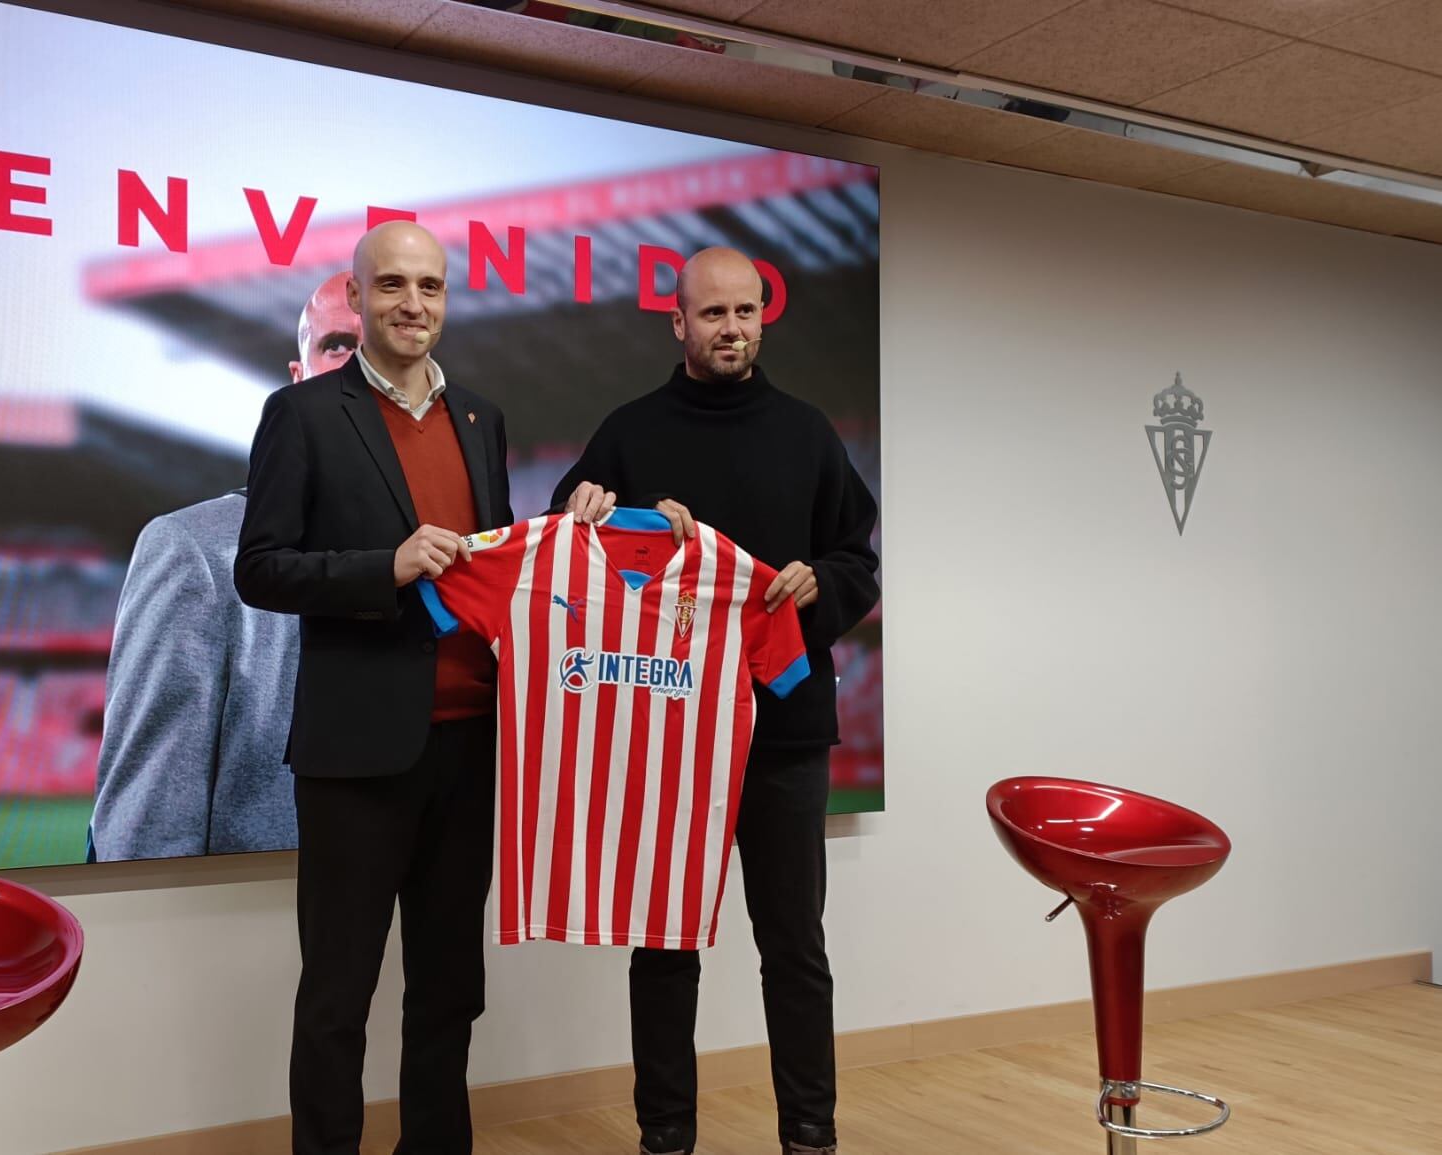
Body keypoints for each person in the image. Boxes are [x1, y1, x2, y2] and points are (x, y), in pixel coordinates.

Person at [554, 246, 880, 1155]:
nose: (730, 328)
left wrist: (826, 584)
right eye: (712, 314)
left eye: (744, 312)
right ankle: (665, 1134)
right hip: (666, 735)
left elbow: (859, 557)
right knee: (662, 947)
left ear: (761, 319)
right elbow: (566, 547)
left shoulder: (809, 432)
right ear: (679, 323)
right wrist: (584, 507)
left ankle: (811, 1133)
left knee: (794, 948)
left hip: (785, 730)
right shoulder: (627, 431)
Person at [235, 220, 513, 1155]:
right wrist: (382, 567)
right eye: (392, 286)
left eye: (430, 286)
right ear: (356, 298)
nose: (413, 304)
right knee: (338, 996)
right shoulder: (304, 415)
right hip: (357, 754)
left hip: (471, 748)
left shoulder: (481, 417)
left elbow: (496, 569)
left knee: (449, 989)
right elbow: (262, 569)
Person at [89, 272, 361, 861]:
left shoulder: (453, 559)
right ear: (299, 380)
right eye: (337, 345)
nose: (360, 370)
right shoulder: (193, 551)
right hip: (243, 935)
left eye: (384, 351)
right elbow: (145, 838)